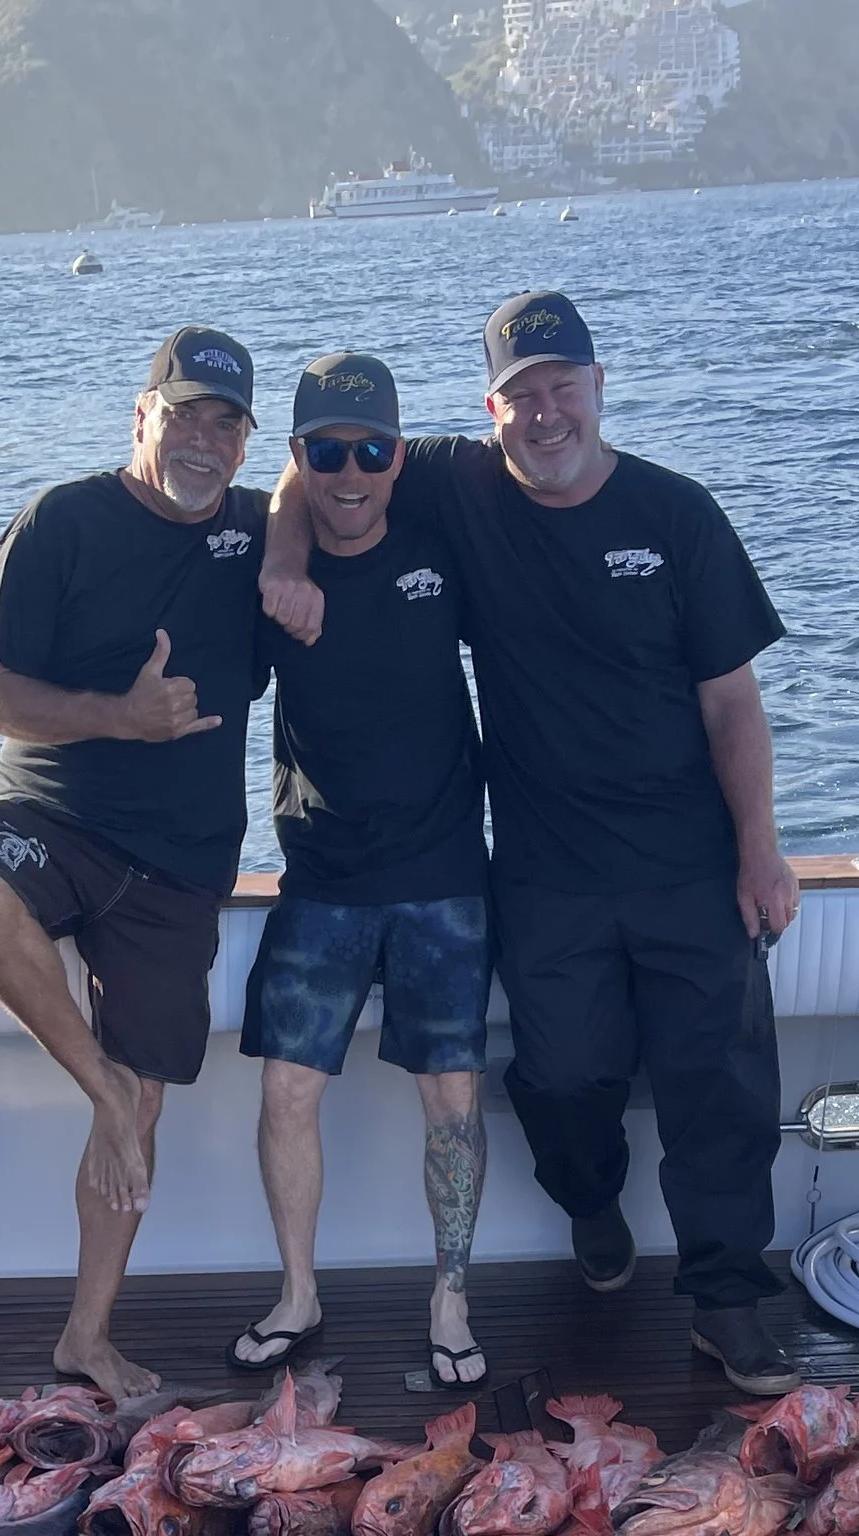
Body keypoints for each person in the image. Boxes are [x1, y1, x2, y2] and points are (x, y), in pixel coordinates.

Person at [261, 290, 802, 1395]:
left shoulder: (677, 513)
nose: (545, 413)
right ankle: (590, 1198)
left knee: (718, 1084)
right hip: (546, 867)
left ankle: (729, 1298)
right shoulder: (460, 487)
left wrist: (762, 848)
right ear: (490, 410)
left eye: (564, 388)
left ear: (599, 389)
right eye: (522, 395)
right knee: (559, 1078)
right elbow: (318, 462)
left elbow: (732, 702)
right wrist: (281, 557)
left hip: (688, 856)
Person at [0, 326, 269, 1397]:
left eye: (226, 424)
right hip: (59, 819)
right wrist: (120, 720)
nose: (202, 441)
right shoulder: (61, 522)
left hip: (177, 866)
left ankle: (85, 1337)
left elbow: (347, 521)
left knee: (153, 1102)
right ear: (141, 416)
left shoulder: (258, 532)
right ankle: (101, 1091)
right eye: (183, 415)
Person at [235, 351, 494, 1388]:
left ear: (400, 453)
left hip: (443, 876)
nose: (352, 473)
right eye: (327, 452)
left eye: (372, 449)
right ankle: (298, 1294)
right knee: (286, 1089)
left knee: (453, 1102)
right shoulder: (269, 579)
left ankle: (452, 1297)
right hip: (323, 879)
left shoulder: (444, 538)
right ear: (297, 458)